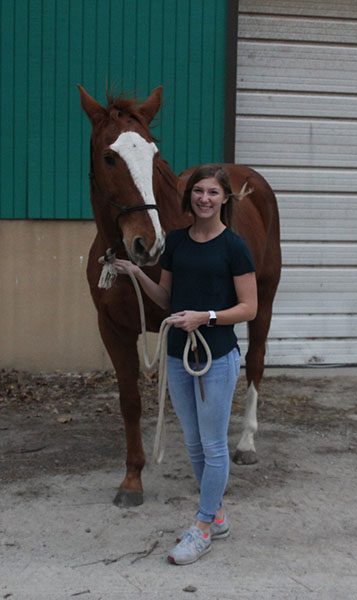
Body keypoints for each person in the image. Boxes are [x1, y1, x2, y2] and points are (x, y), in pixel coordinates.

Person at [113, 164, 257, 565]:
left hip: (217, 356)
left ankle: (203, 526)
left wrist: (205, 317)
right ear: (189, 198)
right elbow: (167, 298)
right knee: (193, 443)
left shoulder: (235, 247)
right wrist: (137, 274)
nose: (205, 199)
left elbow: (249, 307)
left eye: (213, 192)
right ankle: (218, 515)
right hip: (178, 355)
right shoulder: (176, 242)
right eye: (198, 192)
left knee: (213, 445)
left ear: (224, 199)